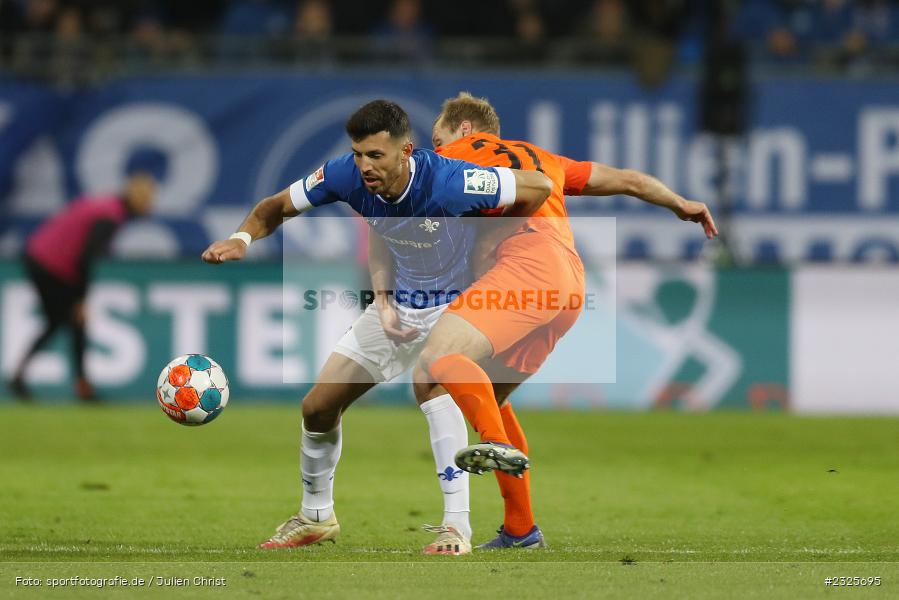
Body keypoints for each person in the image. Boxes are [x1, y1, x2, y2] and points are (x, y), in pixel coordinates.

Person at [201, 99, 552, 555]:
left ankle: (456, 527)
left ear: (405, 150)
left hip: (456, 310)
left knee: (430, 386)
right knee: (318, 407)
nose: (364, 165)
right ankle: (315, 516)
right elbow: (276, 207)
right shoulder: (343, 175)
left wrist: (489, 244)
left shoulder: (450, 179)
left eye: (375, 155)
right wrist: (241, 238)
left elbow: (539, 186)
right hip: (400, 308)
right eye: (358, 154)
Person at [404, 92, 717, 548]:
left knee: (436, 361)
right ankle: (521, 529)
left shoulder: (457, 154)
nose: (438, 148)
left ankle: (495, 445)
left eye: (439, 138)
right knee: (488, 394)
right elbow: (628, 180)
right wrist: (679, 202)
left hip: (526, 264)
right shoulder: (544, 159)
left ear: (465, 129)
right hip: (568, 281)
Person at [9, 171, 157, 401]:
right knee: (71, 321)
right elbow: (86, 258)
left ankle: (26, 377)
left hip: (40, 256)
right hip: (52, 264)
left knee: (59, 321)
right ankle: (81, 386)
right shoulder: (110, 216)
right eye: (149, 201)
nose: (150, 207)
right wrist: (81, 299)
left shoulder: (103, 204)